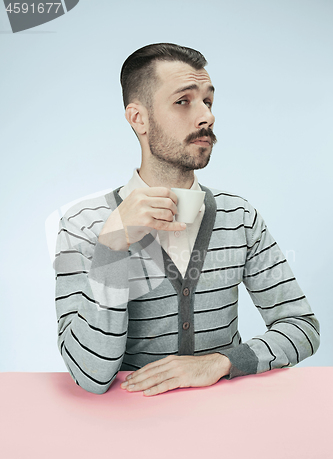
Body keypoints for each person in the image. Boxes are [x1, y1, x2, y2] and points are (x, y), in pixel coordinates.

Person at [54, 43, 320, 396]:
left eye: (208, 101)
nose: (206, 116)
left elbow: (301, 326)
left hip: (226, 425)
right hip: (127, 430)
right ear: (139, 118)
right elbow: (90, 375)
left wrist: (222, 361)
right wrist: (112, 248)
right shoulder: (84, 225)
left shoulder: (239, 217)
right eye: (184, 101)